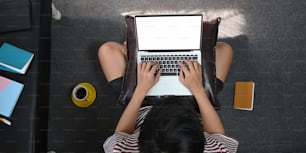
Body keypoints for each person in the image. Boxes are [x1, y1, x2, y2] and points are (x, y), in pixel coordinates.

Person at [98, 41, 238, 153]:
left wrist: (140, 89)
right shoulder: (220, 150)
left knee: (107, 50)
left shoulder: (119, 150)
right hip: (195, 105)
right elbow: (216, 134)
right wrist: (198, 89)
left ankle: (147, 51)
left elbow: (122, 133)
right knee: (224, 49)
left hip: (142, 105)